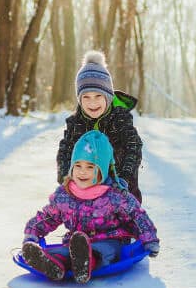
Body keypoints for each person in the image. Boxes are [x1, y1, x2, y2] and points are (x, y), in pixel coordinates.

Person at [22, 130, 159, 284]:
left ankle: (85, 264)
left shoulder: (114, 195)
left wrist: (149, 240)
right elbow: (47, 217)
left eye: (90, 167)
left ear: (102, 170)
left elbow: (137, 217)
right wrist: (32, 233)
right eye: (78, 165)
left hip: (110, 240)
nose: (82, 172)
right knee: (63, 251)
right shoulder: (65, 194)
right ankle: (54, 265)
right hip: (76, 243)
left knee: (105, 250)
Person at [57, 50, 143, 203]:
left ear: (108, 97)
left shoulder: (120, 119)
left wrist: (125, 178)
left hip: (119, 187)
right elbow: (65, 150)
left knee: (120, 216)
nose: (92, 103)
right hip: (86, 187)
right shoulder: (75, 123)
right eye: (86, 97)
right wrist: (65, 178)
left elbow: (133, 147)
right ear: (80, 99)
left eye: (98, 96)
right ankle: (84, 224)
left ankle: (125, 222)